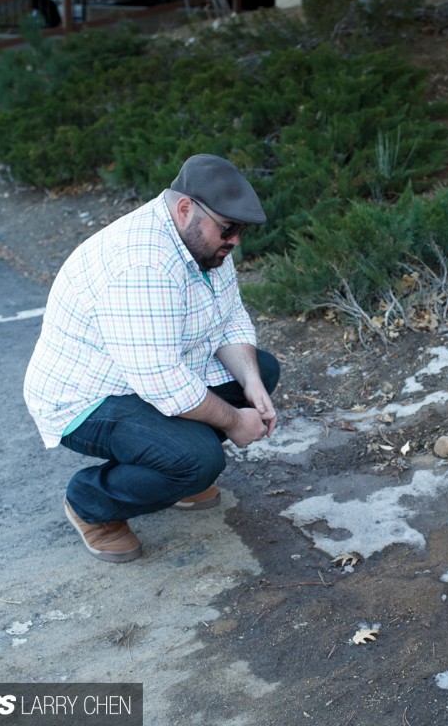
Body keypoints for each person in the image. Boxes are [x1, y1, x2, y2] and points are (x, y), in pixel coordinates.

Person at [23, 154, 280, 563]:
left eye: (242, 230)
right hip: (86, 397)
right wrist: (233, 421)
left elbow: (229, 318)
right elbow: (162, 381)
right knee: (198, 459)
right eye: (228, 229)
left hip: (143, 377)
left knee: (262, 370)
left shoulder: (203, 245)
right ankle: (91, 505)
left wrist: (250, 384)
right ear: (184, 209)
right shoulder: (143, 264)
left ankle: (174, 470)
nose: (235, 241)